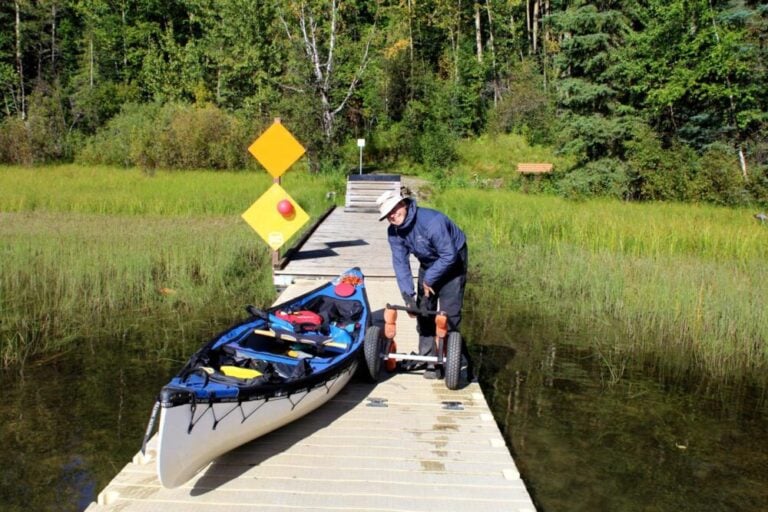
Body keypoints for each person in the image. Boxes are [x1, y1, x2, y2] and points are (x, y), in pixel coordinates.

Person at [376, 189, 469, 379]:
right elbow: (400, 263)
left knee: (449, 315)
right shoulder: (394, 233)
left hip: (454, 260)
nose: (392, 216)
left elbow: (448, 255)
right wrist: (407, 296)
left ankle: (451, 360)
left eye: (394, 210)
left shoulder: (432, 222)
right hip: (428, 263)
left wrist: (429, 279)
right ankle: (428, 358)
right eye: (387, 214)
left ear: (404, 204)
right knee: (423, 310)